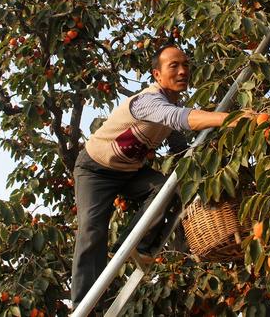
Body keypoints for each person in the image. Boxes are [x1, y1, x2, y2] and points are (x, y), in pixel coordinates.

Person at [71, 44, 248, 311]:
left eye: (185, 65)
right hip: (95, 170)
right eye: (173, 66)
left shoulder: (172, 104)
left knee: (169, 189)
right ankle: (83, 304)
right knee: (92, 231)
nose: (182, 71)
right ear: (157, 74)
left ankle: (136, 245)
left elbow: (181, 147)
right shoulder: (149, 101)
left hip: (129, 173)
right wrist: (233, 118)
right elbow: (176, 118)